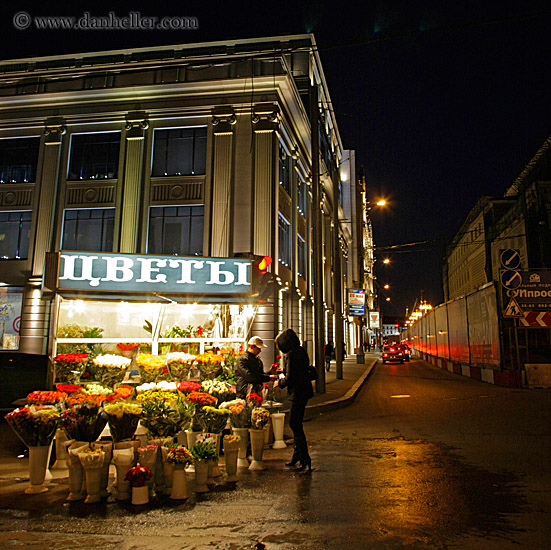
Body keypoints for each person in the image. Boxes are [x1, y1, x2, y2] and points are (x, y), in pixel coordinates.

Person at [275, 328, 314, 472]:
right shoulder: (300, 351)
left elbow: (292, 377)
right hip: (303, 391)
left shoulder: (291, 354)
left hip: (298, 393)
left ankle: (304, 458)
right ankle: (298, 456)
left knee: (295, 424)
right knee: (296, 424)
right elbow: (298, 371)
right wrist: (284, 372)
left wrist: (280, 382)